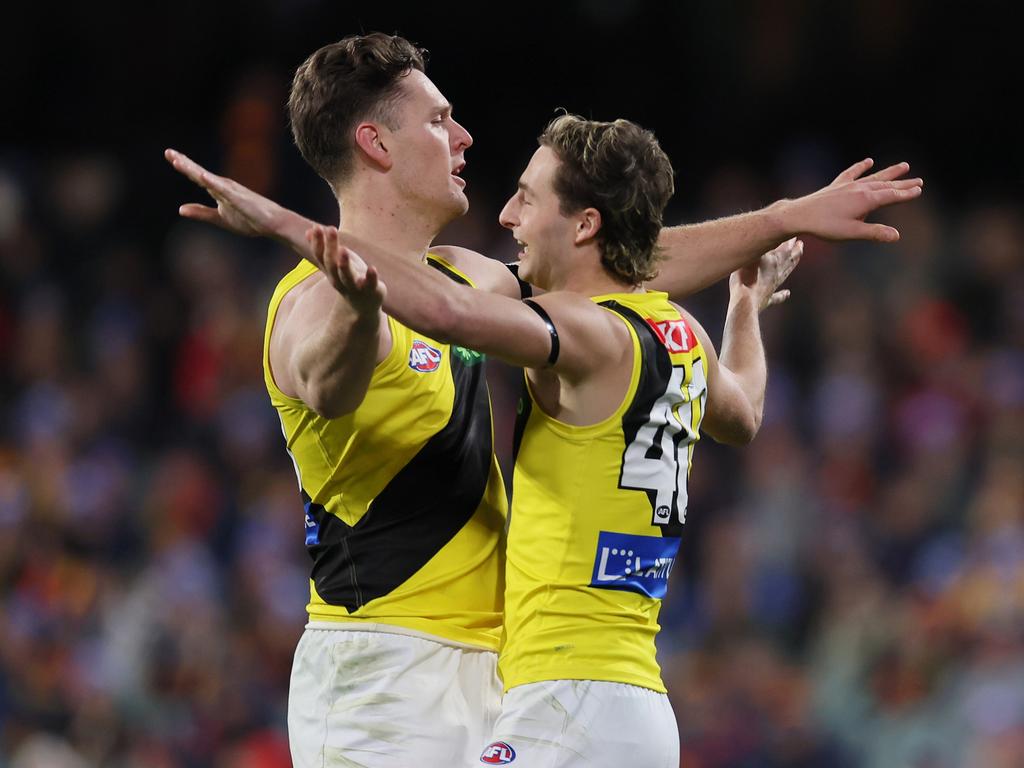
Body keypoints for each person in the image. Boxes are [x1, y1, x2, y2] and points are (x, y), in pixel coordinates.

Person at [165, 32, 922, 766]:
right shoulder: (310, 303)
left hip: (498, 671)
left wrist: (780, 219)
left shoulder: (464, 278)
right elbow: (329, 386)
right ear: (376, 144)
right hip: (383, 671)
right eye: (437, 119)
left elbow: (610, 265)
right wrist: (356, 302)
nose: (463, 136)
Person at [303, 114, 800, 766]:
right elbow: (745, 410)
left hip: (567, 698)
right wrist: (743, 308)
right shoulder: (681, 335)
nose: (508, 215)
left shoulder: (581, 327)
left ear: (586, 224)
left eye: (527, 198)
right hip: (639, 703)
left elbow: (449, 312)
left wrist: (298, 232)